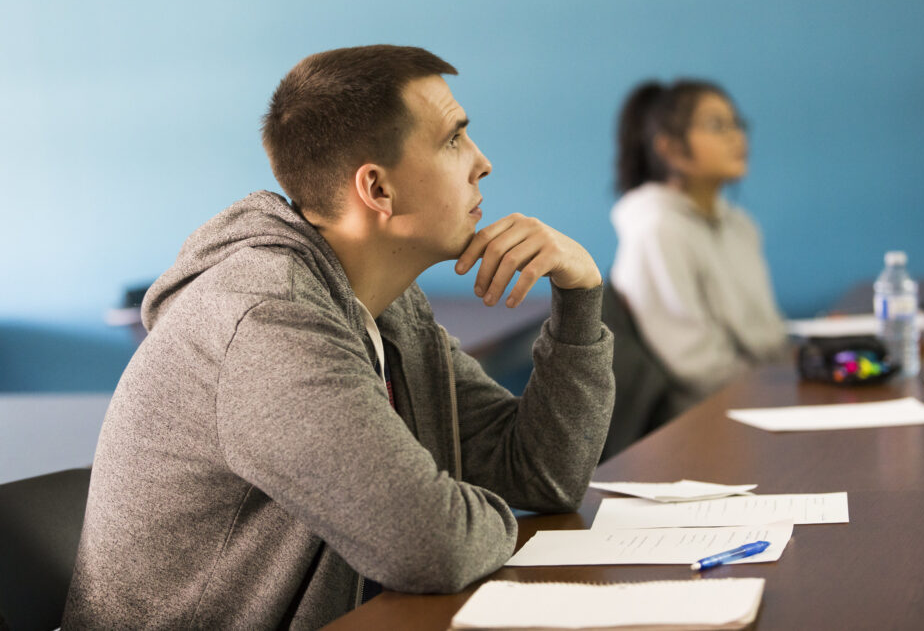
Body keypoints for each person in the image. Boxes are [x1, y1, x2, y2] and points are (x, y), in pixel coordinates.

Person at [63, 45, 613, 629]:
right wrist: (452, 509)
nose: (483, 163)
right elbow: (430, 544)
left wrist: (579, 300)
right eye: (454, 139)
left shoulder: (388, 308)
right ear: (378, 190)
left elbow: (541, 475)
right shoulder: (268, 320)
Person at [603, 79, 786, 457]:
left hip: (760, 401)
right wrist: (781, 388)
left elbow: (769, 336)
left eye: (738, 124)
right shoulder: (656, 231)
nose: (737, 137)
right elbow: (695, 366)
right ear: (670, 148)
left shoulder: (741, 226)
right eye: (718, 126)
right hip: (694, 426)